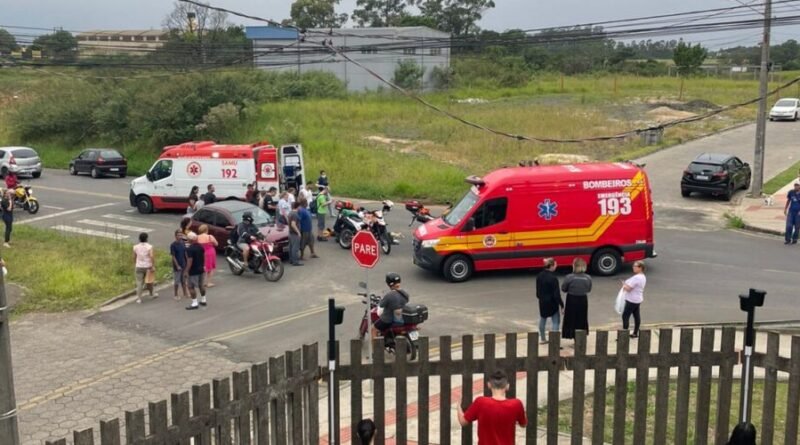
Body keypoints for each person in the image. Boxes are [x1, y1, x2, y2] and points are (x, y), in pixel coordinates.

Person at [456, 369, 527, 445]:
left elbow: (463, 422)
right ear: (507, 386)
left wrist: (458, 406)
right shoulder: (516, 404)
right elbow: (523, 424)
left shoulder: (480, 402)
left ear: (489, 385)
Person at [561, 258, 592, 340]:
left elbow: (563, 289)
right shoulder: (588, 277)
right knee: (582, 318)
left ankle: (571, 334)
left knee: (571, 318)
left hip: (571, 299)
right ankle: (580, 337)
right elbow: (589, 289)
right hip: (583, 299)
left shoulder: (569, 277)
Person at [373, 273, 410, 339]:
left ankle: (374, 345)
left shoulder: (389, 295)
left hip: (388, 320)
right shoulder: (404, 293)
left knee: (373, 329)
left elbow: (381, 305)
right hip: (401, 318)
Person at [536, 258, 564, 344]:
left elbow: (538, 292)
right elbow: (557, 294)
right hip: (552, 302)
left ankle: (543, 338)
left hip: (542, 301)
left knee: (543, 319)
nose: (556, 266)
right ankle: (554, 342)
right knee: (555, 322)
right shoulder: (553, 278)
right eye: (555, 264)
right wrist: (562, 305)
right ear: (551, 266)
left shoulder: (539, 276)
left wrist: (541, 298)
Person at [620, 260, 647, 338]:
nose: (633, 267)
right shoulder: (643, 276)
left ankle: (624, 335)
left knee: (625, 316)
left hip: (631, 300)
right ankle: (635, 332)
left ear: (640, 268)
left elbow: (628, 289)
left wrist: (623, 285)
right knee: (636, 315)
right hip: (638, 299)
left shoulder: (637, 278)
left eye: (635, 266)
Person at [185, 232, 207, 310]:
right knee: (201, 285)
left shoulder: (189, 249)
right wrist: (203, 265)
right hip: (201, 269)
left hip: (193, 271)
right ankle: (203, 299)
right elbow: (204, 256)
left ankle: (194, 303)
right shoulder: (201, 247)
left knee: (190, 286)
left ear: (190, 240)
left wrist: (186, 271)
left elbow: (190, 261)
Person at [133, 232, 157, 304]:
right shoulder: (149, 247)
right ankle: (151, 294)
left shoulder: (135, 247)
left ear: (139, 239)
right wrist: (153, 265)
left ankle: (139, 298)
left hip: (139, 266)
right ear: (146, 239)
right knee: (149, 281)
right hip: (148, 266)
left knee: (139, 282)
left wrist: (135, 263)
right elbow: (151, 256)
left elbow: (134, 257)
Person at [170, 229, 188, 300]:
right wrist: (177, 265)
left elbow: (185, 253)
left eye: (181, 235)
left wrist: (187, 262)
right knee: (177, 281)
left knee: (183, 280)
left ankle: (185, 293)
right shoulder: (173, 245)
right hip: (177, 266)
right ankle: (176, 294)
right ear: (175, 236)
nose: (180, 237)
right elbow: (173, 256)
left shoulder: (183, 243)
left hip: (183, 264)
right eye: (178, 235)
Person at [288, 202, 303, 266]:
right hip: (294, 233)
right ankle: (295, 262)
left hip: (290, 232)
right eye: (300, 206)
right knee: (295, 248)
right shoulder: (295, 214)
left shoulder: (290, 213)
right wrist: (298, 232)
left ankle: (291, 260)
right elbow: (293, 224)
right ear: (298, 207)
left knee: (291, 247)